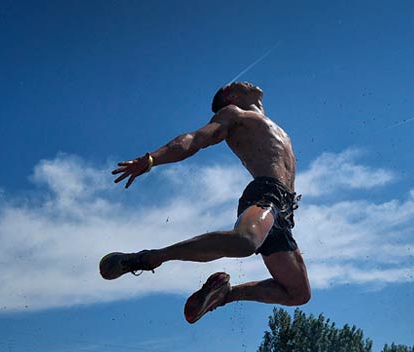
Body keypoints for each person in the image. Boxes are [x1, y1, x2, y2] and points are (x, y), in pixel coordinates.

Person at [102, 81, 311, 323]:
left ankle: (225, 295)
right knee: (245, 241)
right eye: (237, 83)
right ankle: (150, 257)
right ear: (230, 96)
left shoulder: (272, 126)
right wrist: (151, 160)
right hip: (266, 193)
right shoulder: (233, 114)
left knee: (298, 293)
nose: (246, 81)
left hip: (283, 211)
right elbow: (195, 139)